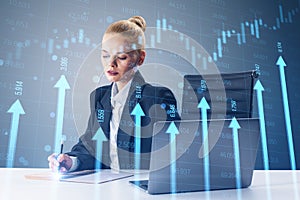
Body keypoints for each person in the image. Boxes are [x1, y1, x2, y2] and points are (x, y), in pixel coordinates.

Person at [48, 16, 180, 172]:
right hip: (108, 186)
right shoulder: (99, 97)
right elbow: (91, 147)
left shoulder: (156, 97)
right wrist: (71, 161)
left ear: (140, 58)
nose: (111, 64)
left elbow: (175, 149)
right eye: (105, 55)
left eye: (122, 57)